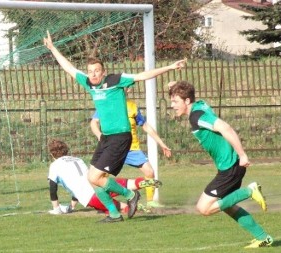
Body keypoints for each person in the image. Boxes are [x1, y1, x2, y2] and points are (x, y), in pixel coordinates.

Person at [43, 30, 186, 222]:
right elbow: (69, 68)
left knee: (96, 178)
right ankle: (115, 213)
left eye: (97, 71)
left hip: (120, 136)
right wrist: (52, 48)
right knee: (92, 179)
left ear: (103, 72)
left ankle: (129, 195)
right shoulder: (89, 84)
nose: (93, 74)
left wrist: (169, 67)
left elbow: (143, 76)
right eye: (90, 71)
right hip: (106, 138)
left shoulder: (115, 80)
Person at [168, 81, 272, 248]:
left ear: (187, 101)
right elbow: (192, 95)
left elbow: (226, 128)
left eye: (175, 101)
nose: (172, 106)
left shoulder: (197, 116)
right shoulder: (200, 105)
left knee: (204, 208)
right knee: (226, 205)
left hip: (230, 167)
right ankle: (263, 237)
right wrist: (174, 88)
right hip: (230, 166)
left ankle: (249, 191)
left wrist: (242, 154)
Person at [90, 94, 172, 208]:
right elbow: (94, 122)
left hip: (131, 148)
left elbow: (145, 125)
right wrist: (99, 135)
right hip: (113, 148)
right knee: (98, 179)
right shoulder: (106, 103)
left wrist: (161, 143)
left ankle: (150, 202)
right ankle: (112, 205)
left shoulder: (132, 106)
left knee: (149, 172)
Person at [46, 139, 162, 216]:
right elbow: (79, 180)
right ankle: (142, 182)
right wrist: (72, 206)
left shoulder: (55, 166)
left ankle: (139, 208)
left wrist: (56, 209)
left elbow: (52, 189)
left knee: (115, 207)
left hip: (89, 197)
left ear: (52, 154)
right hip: (98, 183)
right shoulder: (77, 159)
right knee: (125, 184)